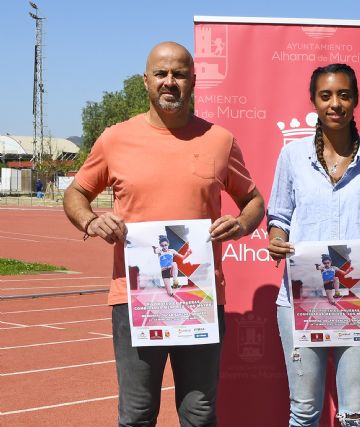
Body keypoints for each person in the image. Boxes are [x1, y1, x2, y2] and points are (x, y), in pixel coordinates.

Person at [63, 41, 264, 427]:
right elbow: (76, 194)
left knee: (199, 414)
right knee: (137, 414)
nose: (169, 82)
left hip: (200, 297)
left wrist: (240, 225)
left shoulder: (220, 140)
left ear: (193, 81)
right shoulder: (115, 139)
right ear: (146, 81)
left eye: (179, 74)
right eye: (161, 74)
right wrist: (90, 221)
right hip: (135, 298)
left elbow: (253, 201)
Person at [267, 63, 360, 427]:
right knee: (304, 411)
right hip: (301, 298)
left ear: (355, 100)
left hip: (359, 298)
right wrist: (276, 239)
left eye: (344, 95)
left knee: (355, 414)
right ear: (314, 102)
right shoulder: (292, 157)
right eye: (326, 95)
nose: (335, 103)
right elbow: (279, 217)